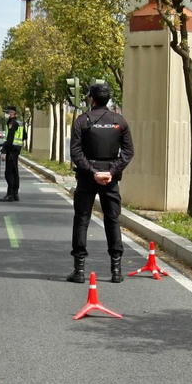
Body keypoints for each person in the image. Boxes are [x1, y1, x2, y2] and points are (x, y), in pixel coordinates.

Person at [68, 82, 133, 284]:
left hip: (88, 178)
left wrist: (93, 172)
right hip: (110, 180)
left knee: (82, 220)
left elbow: (76, 152)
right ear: (109, 99)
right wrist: (111, 172)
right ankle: (116, 270)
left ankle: (79, 270)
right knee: (112, 220)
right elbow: (128, 152)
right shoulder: (119, 122)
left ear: (91, 99)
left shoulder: (82, 121)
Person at [0, 106, 24, 202]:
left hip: (11, 149)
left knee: (9, 172)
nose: (6, 114)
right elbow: (24, 136)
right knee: (15, 171)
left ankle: (10, 194)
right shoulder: (20, 122)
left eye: (7, 112)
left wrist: (4, 150)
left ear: (12, 113)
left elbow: (9, 138)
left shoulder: (12, 123)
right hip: (17, 149)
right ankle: (15, 193)